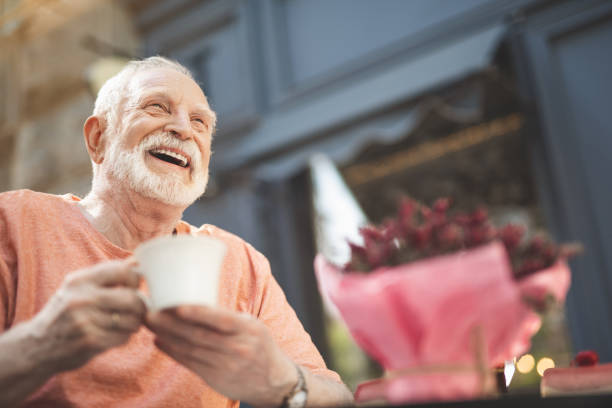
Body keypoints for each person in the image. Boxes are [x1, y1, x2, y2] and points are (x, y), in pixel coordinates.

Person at [0, 57, 353, 407]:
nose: (184, 129)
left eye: (200, 122)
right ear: (98, 137)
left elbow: (337, 399)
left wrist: (282, 381)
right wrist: (40, 343)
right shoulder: (14, 222)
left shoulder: (239, 263)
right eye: (156, 107)